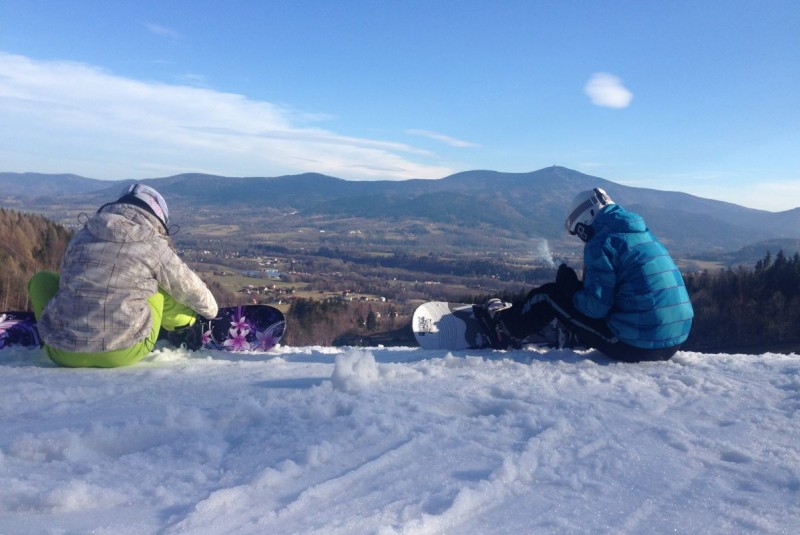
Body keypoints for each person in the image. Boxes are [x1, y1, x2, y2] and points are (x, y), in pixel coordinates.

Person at [478, 187, 693, 362]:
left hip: (635, 345)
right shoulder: (643, 234)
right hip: (674, 340)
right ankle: (571, 333)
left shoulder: (601, 242)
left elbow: (595, 307)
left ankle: (501, 329)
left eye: (577, 231)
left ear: (585, 220)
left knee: (549, 295)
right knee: (580, 294)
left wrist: (569, 288)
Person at [28, 184, 218, 367]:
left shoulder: (82, 235)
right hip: (123, 352)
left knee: (40, 280)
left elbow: (67, 283)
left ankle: (56, 330)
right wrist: (210, 311)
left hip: (61, 352)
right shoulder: (154, 243)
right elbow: (189, 287)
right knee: (158, 286)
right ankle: (183, 327)